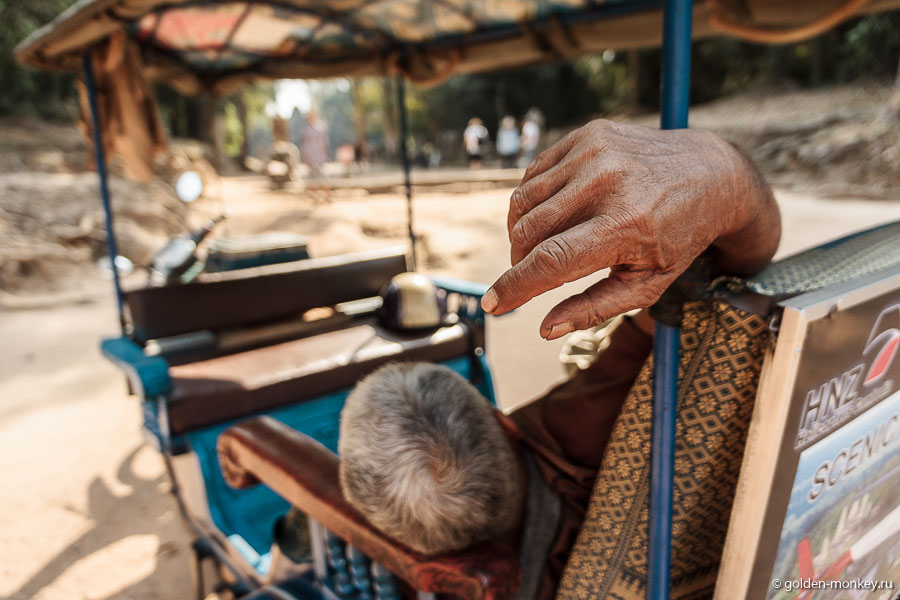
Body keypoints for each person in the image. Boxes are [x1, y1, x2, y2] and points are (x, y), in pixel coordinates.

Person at [300, 107, 330, 202]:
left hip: (319, 157)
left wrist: (326, 155)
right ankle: (315, 198)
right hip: (309, 157)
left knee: (322, 177)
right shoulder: (305, 129)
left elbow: (324, 143)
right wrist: (304, 157)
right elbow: (303, 144)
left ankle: (327, 196)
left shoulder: (320, 127)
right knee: (312, 178)